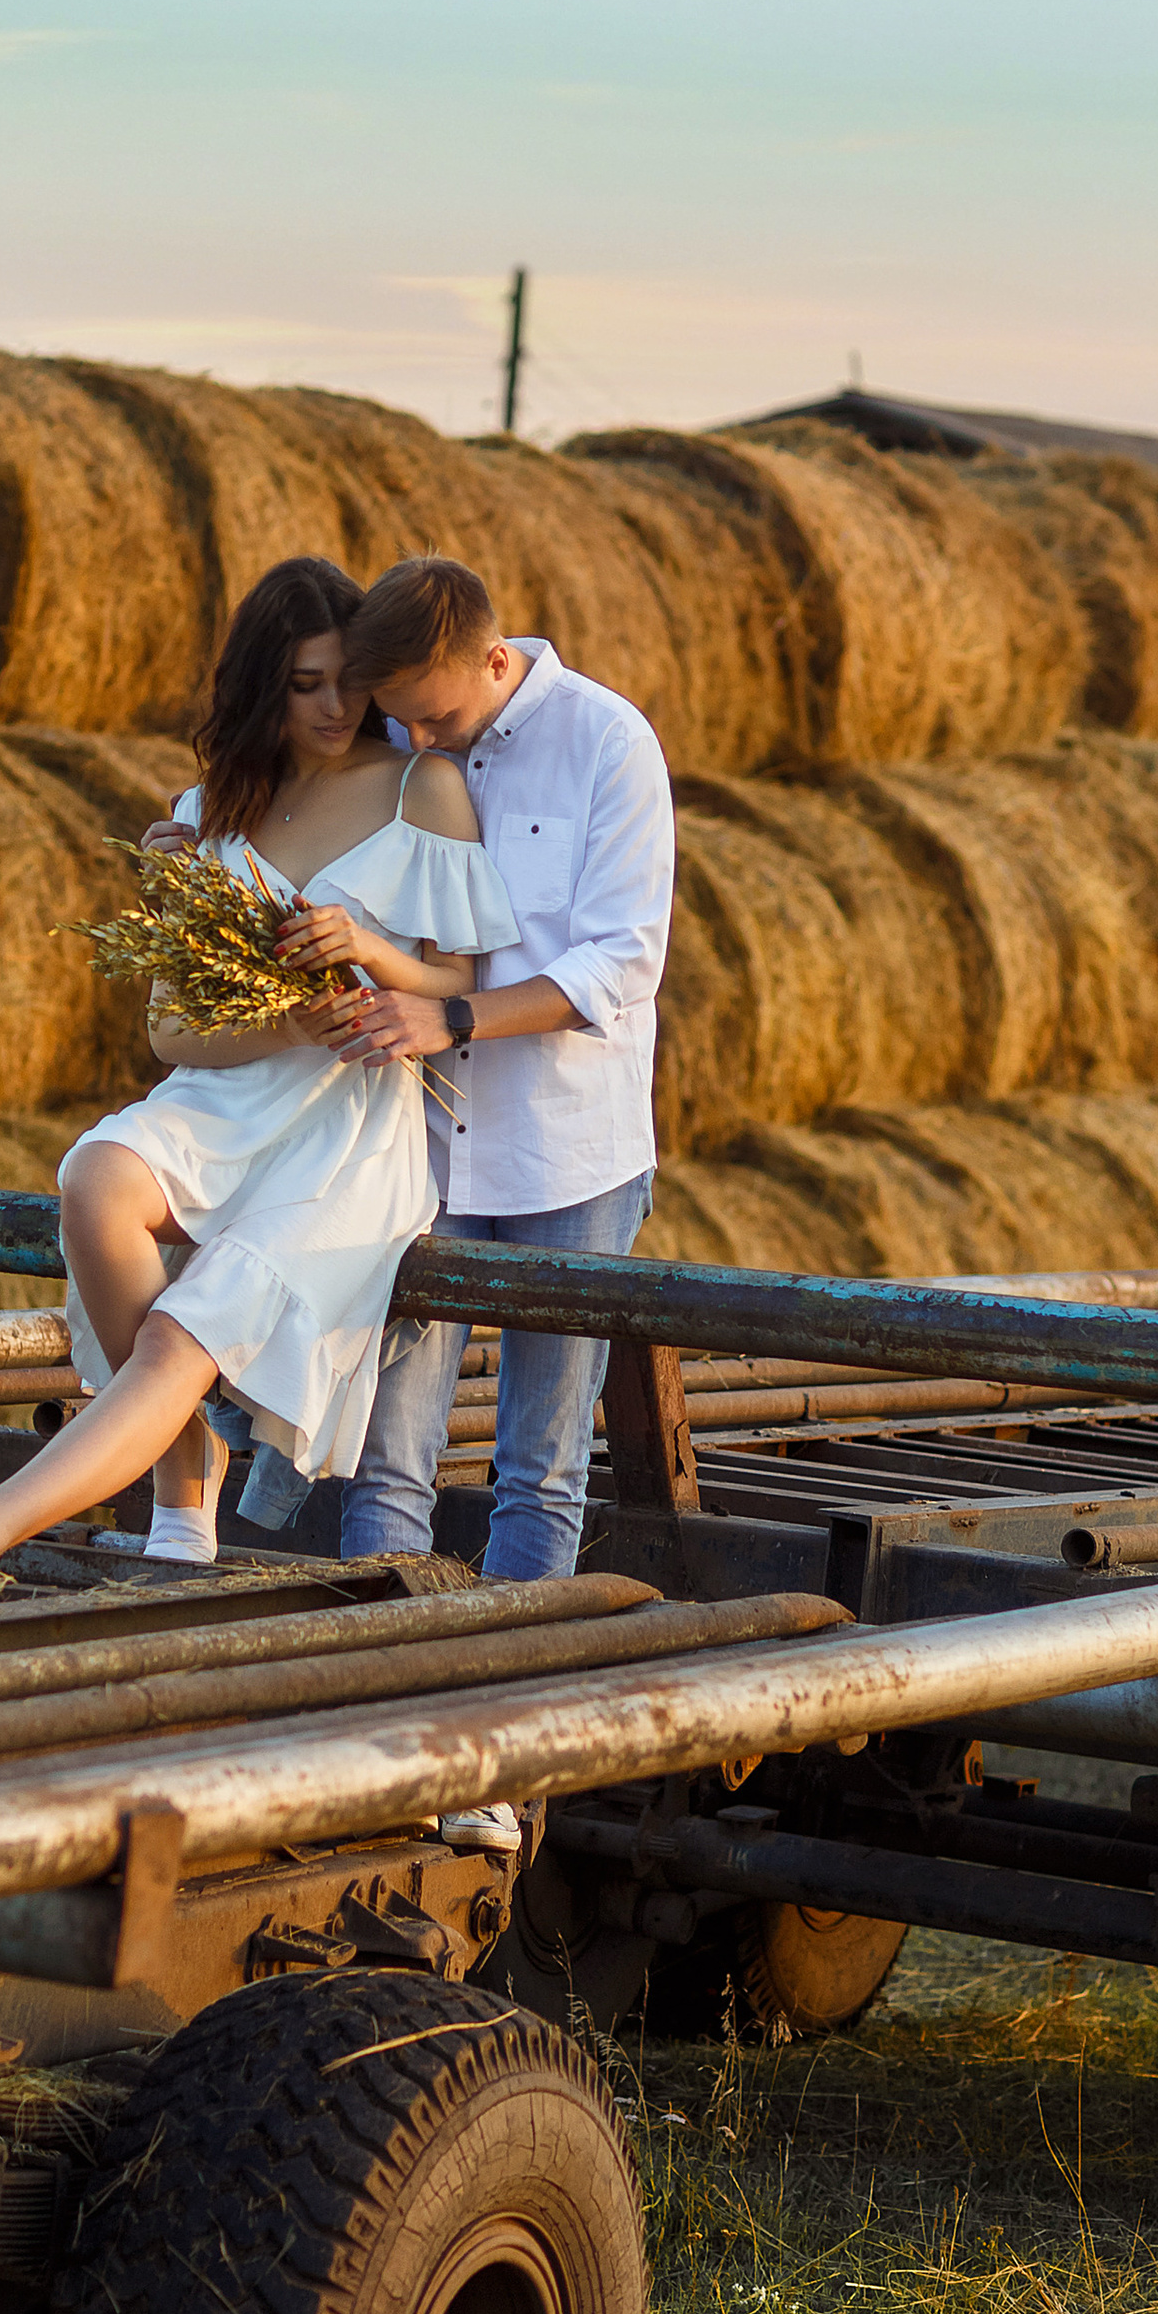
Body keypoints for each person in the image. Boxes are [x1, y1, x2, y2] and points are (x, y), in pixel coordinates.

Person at [0, 556, 517, 1586]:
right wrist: (287, 1020)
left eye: (348, 680)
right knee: (93, 1178)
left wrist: (367, 957)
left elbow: (456, 974)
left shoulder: (421, 787)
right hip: (235, 1090)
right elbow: (170, 1032)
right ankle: (184, 1465)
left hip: (350, 1127)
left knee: (185, 1328)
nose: (335, 706)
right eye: (303, 685)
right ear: (261, 688)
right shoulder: (209, 811)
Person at [311, 555, 675, 1641]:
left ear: (492, 655)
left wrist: (454, 1019)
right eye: (401, 722)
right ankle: (370, 1709)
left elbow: (620, 964)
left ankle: (498, 1763)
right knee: (386, 1457)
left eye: (435, 716)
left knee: (541, 1470)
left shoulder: (608, 742)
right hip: (417, 1144)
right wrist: (190, 842)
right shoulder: (403, 750)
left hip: (571, 1153)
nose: (419, 742)